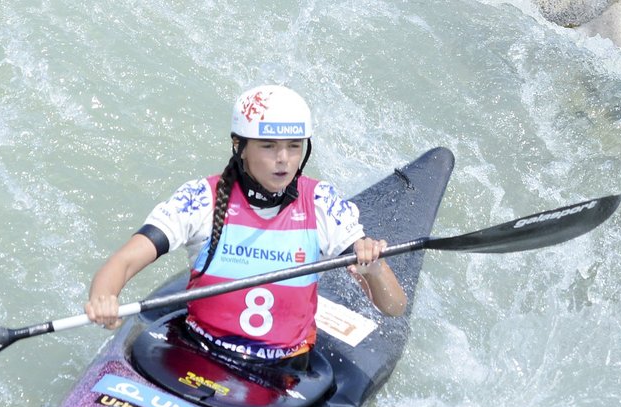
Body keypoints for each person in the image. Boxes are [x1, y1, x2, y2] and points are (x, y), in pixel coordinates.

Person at [84, 84, 406, 368]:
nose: (283, 159)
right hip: (199, 353)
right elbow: (124, 260)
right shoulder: (202, 199)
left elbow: (393, 307)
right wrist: (104, 295)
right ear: (239, 145)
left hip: (283, 372)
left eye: (294, 146)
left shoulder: (322, 204)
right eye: (268, 146)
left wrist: (374, 269)